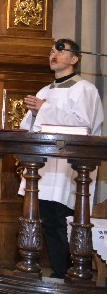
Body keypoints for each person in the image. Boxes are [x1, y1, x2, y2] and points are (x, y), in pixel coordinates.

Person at [20, 38, 104, 278]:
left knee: (62, 219)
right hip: (45, 167)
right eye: (50, 51)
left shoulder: (84, 89)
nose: (52, 55)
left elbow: (83, 125)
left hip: (68, 168)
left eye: (59, 51)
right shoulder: (44, 92)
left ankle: (70, 272)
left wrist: (44, 109)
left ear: (74, 59)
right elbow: (30, 127)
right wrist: (34, 114)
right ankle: (59, 272)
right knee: (46, 219)